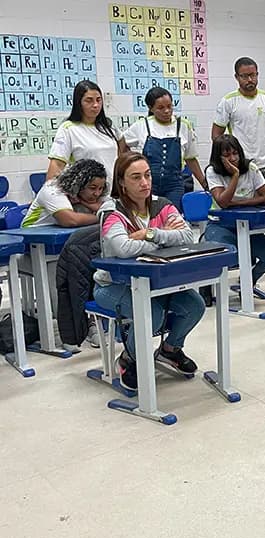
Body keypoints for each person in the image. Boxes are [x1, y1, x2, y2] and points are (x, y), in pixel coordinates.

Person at [93, 152, 205, 393]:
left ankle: (169, 350)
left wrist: (149, 234)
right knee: (150, 313)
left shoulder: (162, 204)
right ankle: (129, 359)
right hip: (112, 286)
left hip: (156, 283)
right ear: (121, 182)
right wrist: (165, 237)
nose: (145, 182)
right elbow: (123, 249)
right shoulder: (111, 211)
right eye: (136, 177)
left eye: (147, 175)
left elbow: (187, 236)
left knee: (195, 305)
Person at [211, 56, 265, 278]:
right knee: (240, 213)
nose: (250, 79)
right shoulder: (228, 102)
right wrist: (228, 164)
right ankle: (245, 256)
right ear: (237, 77)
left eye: (253, 75)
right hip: (242, 169)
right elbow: (216, 136)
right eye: (245, 76)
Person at [202, 134, 265, 288]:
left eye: (235, 153)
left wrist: (237, 203)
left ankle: (248, 282)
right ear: (218, 157)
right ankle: (206, 287)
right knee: (229, 255)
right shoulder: (212, 171)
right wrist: (235, 175)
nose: (233, 158)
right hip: (220, 225)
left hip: (245, 226)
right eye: (227, 155)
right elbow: (222, 202)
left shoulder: (251, 168)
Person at [119, 87, 207, 211]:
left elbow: (191, 158)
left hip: (174, 185)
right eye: (160, 108)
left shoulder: (183, 125)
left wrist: (204, 183)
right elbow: (121, 142)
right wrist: (127, 165)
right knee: (149, 217)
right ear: (151, 108)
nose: (167, 111)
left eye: (170, 106)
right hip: (148, 184)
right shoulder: (142, 125)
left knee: (172, 218)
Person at [47, 80, 121, 186]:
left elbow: (122, 148)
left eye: (98, 100)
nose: (95, 105)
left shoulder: (108, 126)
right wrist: (51, 195)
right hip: (86, 194)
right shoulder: (68, 128)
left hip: (112, 191)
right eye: (89, 100)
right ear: (79, 103)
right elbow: (57, 166)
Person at [22, 159, 108, 228]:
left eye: (100, 188)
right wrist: (102, 217)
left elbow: (108, 209)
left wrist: (84, 202)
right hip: (32, 235)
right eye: (92, 188)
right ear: (78, 184)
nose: (97, 193)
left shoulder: (86, 194)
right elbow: (71, 221)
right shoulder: (52, 190)